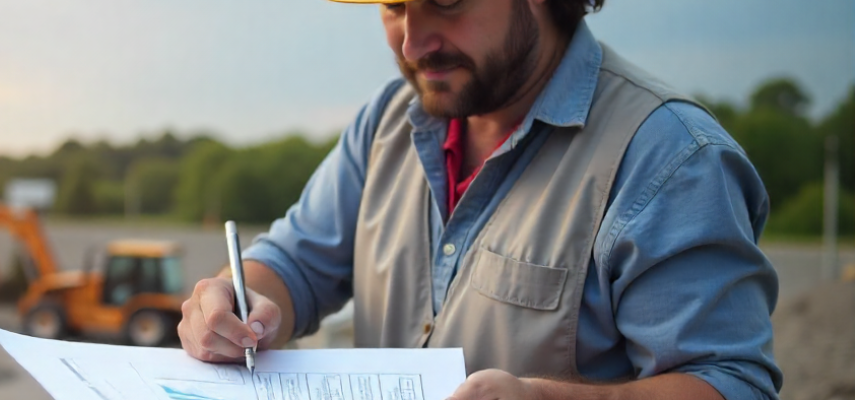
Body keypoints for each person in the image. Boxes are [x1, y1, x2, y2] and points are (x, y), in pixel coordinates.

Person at [177, 0, 782, 398]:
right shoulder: (387, 123)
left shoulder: (670, 158)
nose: (413, 43)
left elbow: (730, 383)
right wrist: (239, 297)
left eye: (445, 1)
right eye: (393, 6)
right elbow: (296, 264)